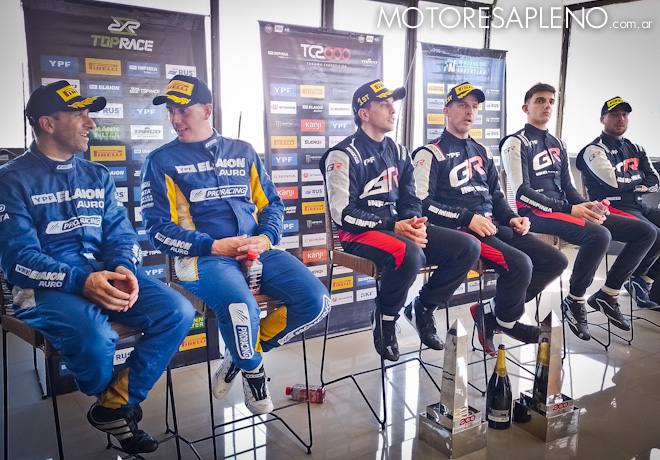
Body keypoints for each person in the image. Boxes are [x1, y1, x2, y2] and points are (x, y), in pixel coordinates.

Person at [0, 80, 195, 455]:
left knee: (178, 310)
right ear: (48, 123)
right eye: (80, 115)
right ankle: (113, 405)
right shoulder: (10, 180)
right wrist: (81, 281)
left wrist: (124, 268)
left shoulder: (98, 175)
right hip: (41, 288)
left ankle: (113, 407)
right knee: (96, 339)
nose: (90, 124)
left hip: (105, 275)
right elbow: (17, 260)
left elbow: (121, 234)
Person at [141, 75, 330, 415]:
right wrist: (214, 246)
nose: (175, 119)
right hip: (202, 258)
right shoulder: (160, 162)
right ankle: (254, 374)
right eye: (171, 111)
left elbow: (272, 205)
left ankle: (240, 357)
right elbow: (158, 230)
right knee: (241, 311)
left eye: (183, 110)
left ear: (207, 110)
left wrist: (265, 237)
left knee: (317, 302)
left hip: (258, 251)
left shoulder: (243, 151)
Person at [320, 79, 481, 362]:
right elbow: (343, 214)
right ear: (364, 113)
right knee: (409, 254)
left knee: (468, 247)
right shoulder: (342, 154)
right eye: (384, 105)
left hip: (397, 228)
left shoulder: (399, 151)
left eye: (392, 104)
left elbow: (411, 199)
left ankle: (423, 307)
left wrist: (414, 223)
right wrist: (393, 227)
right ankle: (385, 318)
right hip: (357, 233)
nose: (393, 110)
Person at [413, 82, 567, 355]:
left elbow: (496, 196)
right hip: (459, 231)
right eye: (462, 105)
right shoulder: (429, 153)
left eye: (474, 106)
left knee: (556, 260)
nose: (469, 111)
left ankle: (493, 312)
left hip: (492, 227)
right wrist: (466, 218)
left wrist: (512, 218)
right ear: (446, 111)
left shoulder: (483, 152)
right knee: (520, 264)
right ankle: (507, 321)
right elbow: (422, 204)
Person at [500, 83, 657, 341]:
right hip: (534, 214)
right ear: (526, 108)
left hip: (563, 210)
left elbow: (569, 189)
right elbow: (522, 193)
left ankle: (608, 293)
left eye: (551, 101)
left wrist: (586, 206)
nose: (547, 105)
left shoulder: (558, 143)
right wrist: (570, 208)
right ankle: (575, 301)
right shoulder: (515, 142)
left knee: (645, 232)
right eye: (540, 100)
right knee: (599, 235)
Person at [577, 97, 660, 308]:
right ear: (602, 119)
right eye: (614, 114)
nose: (620, 118)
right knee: (651, 232)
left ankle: (642, 280)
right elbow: (613, 182)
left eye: (624, 114)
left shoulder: (636, 148)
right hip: (609, 208)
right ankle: (609, 291)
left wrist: (633, 182)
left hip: (638, 206)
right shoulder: (593, 150)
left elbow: (655, 181)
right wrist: (640, 177)